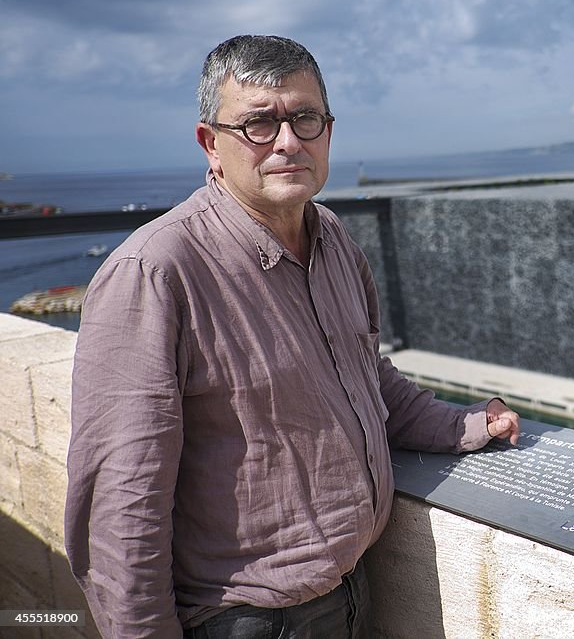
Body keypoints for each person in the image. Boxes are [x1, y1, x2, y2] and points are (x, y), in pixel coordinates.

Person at [64, 35, 520, 638]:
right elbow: (121, 505)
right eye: (258, 123)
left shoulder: (330, 238)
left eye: (304, 119)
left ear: (328, 131)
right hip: (247, 618)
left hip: (352, 589)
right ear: (211, 144)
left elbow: (363, 374)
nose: (287, 141)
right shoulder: (154, 274)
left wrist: (463, 426)